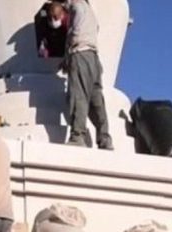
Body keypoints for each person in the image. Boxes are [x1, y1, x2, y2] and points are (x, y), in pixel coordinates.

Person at [60, 0, 112, 150]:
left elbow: (75, 34)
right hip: (94, 57)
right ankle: (104, 138)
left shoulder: (76, 7)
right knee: (96, 100)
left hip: (80, 54)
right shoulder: (90, 11)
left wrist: (67, 54)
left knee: (79, 95)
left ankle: (78, 136)